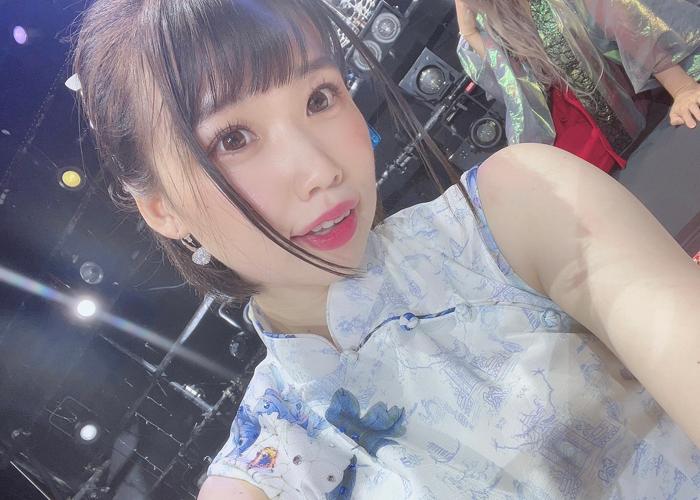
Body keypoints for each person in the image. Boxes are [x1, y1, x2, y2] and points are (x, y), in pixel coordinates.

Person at [71, 0, 700, 498]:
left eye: (319, 97)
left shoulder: (519, 208)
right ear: (163, 207)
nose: (318, 169)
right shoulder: (264, 476)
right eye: (233, 138)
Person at [455, 0, 700, 173]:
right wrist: (469, 32)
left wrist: (682, 88)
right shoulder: (497, 18)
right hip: (568, 117)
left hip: (618, 94)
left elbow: (628, 25)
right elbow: (509, 76)